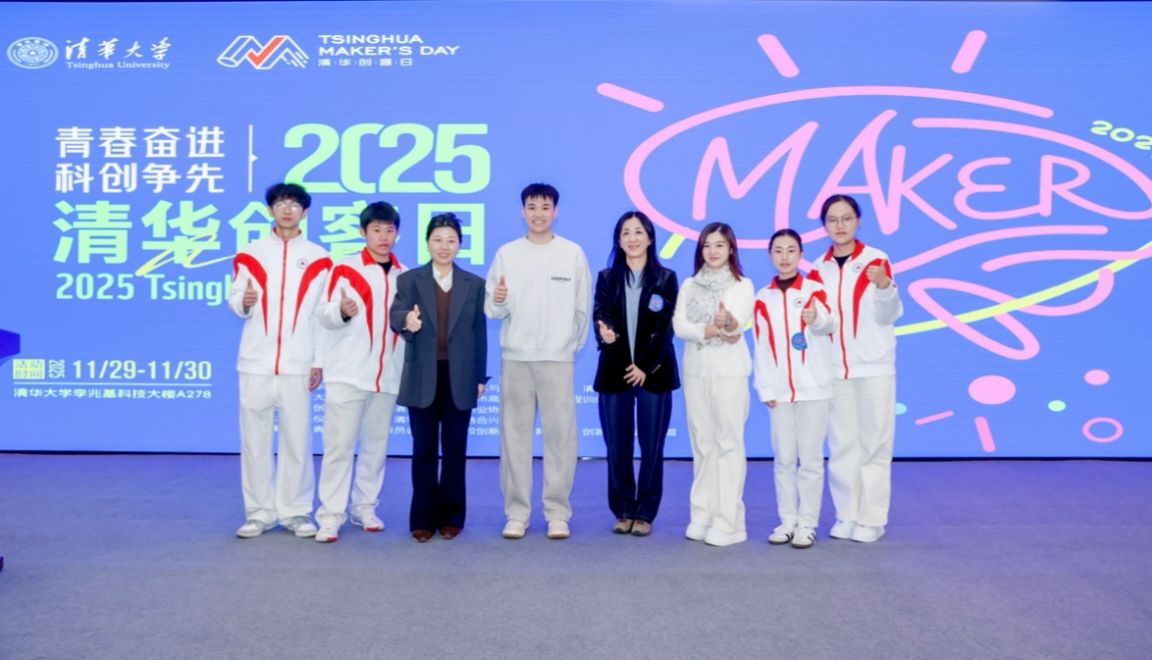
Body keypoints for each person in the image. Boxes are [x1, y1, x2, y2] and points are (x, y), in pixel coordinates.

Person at [485, 183, 591, 540]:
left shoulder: (572, 253)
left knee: (560, 438)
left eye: (545, 207)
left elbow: (582, 308)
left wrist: (568, 347)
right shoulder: (507, 253)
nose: (538, 214)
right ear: (522, 211)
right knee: (514, 438)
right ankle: (516, 513)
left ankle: (557, 512)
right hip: (516, 358)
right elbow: (492, 309)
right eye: (531, 207)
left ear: (555, 211)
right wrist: (500, 299)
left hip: (557, 359)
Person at [227, 182, 331, 539]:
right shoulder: (250, 254)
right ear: (270, 209)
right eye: (281, 204)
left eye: (294, 204)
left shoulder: (320, 258)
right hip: (255, 361)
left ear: (305, 211)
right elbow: (235, 299)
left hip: (297, 363)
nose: (288, 210)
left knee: (296, 441)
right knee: (253, 441)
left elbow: (322, 315)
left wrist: (318, 361)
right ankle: (258, 513)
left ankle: (296, 511)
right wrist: (244, 302)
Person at [390, 213, 488, 542]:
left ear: (459, 244)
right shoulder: (410, 280)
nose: (444, 246)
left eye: (451, 240)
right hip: (422, 375)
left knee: (456, 450)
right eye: (437, 240)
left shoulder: (473, 283)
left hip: (460, 377)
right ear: (427, 243)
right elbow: (395, 314)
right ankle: (422, 519)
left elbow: (479, 334)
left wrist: (479, 376)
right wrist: (407, 320)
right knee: (424, 450)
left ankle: (452, 517)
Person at [312, 202, 406, 543]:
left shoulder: (405, 275)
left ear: (397, 233)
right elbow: (322, 314)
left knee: (375, 447)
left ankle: (364, 506)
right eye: (376, 230)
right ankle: (330, 515)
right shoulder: (344, 268)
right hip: (347, 374)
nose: (383, 237)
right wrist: (341, 311)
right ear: (362, 232)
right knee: (338, 447)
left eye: (389, 230)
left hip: (388, 375)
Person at [814, 194, 903, 543]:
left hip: (874, 367)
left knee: (875, 445)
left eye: (846, 218)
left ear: (858, 220)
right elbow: (819, 323)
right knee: (842, 446)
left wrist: (884, 286)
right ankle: (847, 514)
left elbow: (888, 314)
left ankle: (872, 518)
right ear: (824, 225)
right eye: (832, 219)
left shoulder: (876, 260)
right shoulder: (817, 268)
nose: (840, 225)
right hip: (835, 370)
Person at [593, 211, 680, 537]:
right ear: (618, 240)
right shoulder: (607, 278)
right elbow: (601, 314)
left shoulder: (666, 278)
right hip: (614, 371)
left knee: (651, 445)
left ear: (650, 237)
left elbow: (665, 327)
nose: (632, 238)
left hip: (653, 374)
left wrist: (644, 365)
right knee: (617, 446)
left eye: (638, 232)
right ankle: (623, 508)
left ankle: (645, 511)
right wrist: (605, 332)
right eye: (626, 233)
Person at [752, 229, 837, 549]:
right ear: (770, 255)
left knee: (811, 460)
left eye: (791, 250)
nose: (784, 257)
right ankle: (787, 521)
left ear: (801, 254)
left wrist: (816, 319)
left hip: (814, 389)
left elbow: (830, 324)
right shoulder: (763, 297)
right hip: (780, 393)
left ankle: (807, 525)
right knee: (784, 459)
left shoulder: (815, 289)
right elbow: (761, 346)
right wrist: (765, 387)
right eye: (778, 251)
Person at [672, 222, 755, 547]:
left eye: (719, 245)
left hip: (729, 371)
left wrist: (727, 322)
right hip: (695, 370)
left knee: (728, 444)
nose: (713, 251)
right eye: (707, 245)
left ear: (731, 249)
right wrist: (706, 331)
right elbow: (679, 325)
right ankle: (702, 515)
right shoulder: (689, 284)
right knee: (703, 444)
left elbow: (737, 324)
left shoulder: (742, 285)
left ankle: (729, 522)